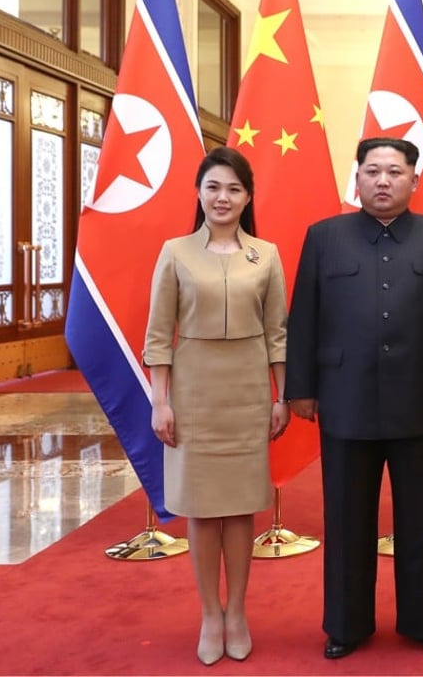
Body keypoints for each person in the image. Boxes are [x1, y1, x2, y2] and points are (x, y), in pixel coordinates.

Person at [285, 137, 423, 660]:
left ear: (415, 180)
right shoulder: (325, 238)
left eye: (395, 171)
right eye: (372, 171)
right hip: (345, 401)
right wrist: (300, 388)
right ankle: (345, 625)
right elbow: (304, 316)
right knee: (346, 519)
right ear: (358, 179)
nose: (383, 181)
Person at [143, 146, 290, 666]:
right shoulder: (176, 252)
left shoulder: (266, 254)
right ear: (199, 193)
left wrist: (280, 396)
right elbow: (159, 336)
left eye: (233, 188)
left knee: (242, 505)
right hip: (194, 392)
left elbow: (278, 334)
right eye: (213, 187)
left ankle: (238, 612)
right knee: (203, 510)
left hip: (249, 392)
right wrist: (161, 402)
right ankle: (210, 612)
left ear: (247, 196)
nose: (222, 197)